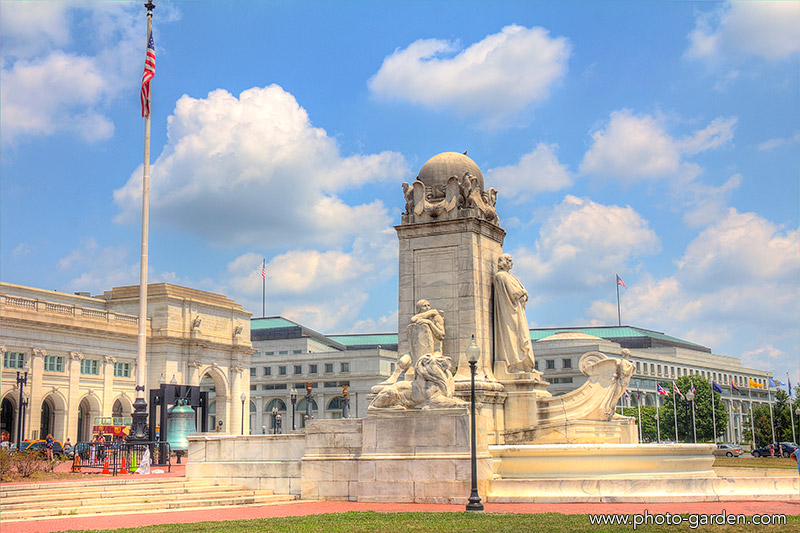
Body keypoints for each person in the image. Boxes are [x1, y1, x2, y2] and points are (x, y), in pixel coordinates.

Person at [494, 254, 535, 372]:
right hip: (510, 311)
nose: (512, 263)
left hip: (516, 310)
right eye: (510, 261)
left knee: (521, 335)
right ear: (504, 262)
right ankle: (515, 364)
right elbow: (515, 292)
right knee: (514, 336)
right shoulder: (501, 276)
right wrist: (523, 293)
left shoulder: (509, 276)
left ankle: (525, 365)